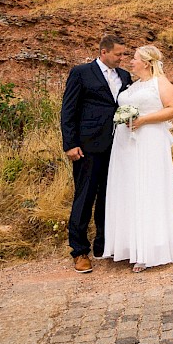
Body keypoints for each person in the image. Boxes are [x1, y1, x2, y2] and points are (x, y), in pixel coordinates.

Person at [101, 45, 173, 272]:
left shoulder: (161, 83)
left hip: (148, 142)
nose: (130, 61)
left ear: (147, 62)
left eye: (135, 58)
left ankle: (149, 250)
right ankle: (129, 246)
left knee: (148, 189)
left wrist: (143, 120)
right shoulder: (133, 85)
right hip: (125, 145)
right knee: (129, 190)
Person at [60, 35, 133, 273]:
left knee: (109, 197)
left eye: (124, 54)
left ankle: (104, 244)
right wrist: (70, 144)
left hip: (118, 147)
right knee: (85, 197)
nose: (123, 58)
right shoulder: (81, 72)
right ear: (103, 52)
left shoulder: (124, 76)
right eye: (118, 54)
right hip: (87, 147)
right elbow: (68, 111)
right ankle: (79, 251)